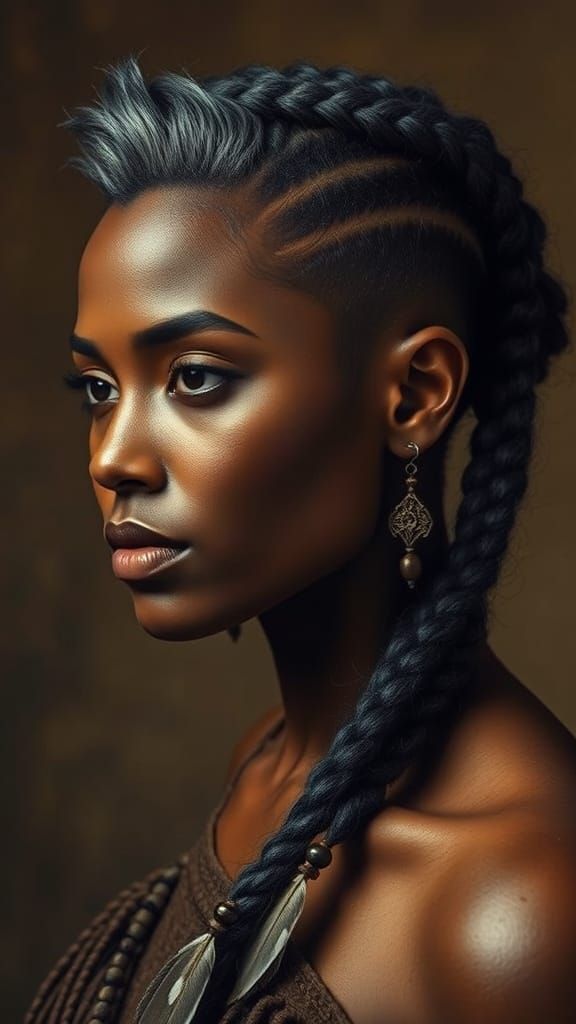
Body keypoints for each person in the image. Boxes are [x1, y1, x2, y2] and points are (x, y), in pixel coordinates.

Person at [25, 56, 576, 1024]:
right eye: (99, 388)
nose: (112, 455)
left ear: (413, 395)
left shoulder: (510, 910)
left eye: (196, 378)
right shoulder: (271, 761)